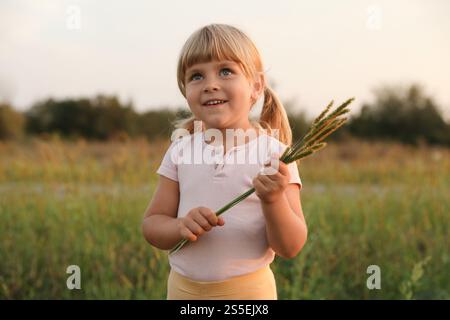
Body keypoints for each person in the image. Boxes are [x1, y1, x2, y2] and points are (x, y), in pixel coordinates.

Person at [142, 23, 307, 300]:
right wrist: (180, 226)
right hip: (183, 292)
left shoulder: (275, 155)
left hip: (250, 294)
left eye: (226, 71)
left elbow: (290, 247)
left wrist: (274, 200)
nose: (210, 85)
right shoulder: (181, 150)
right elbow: (152, 225)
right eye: (196, 76)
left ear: (256, 86)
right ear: (186, 92)